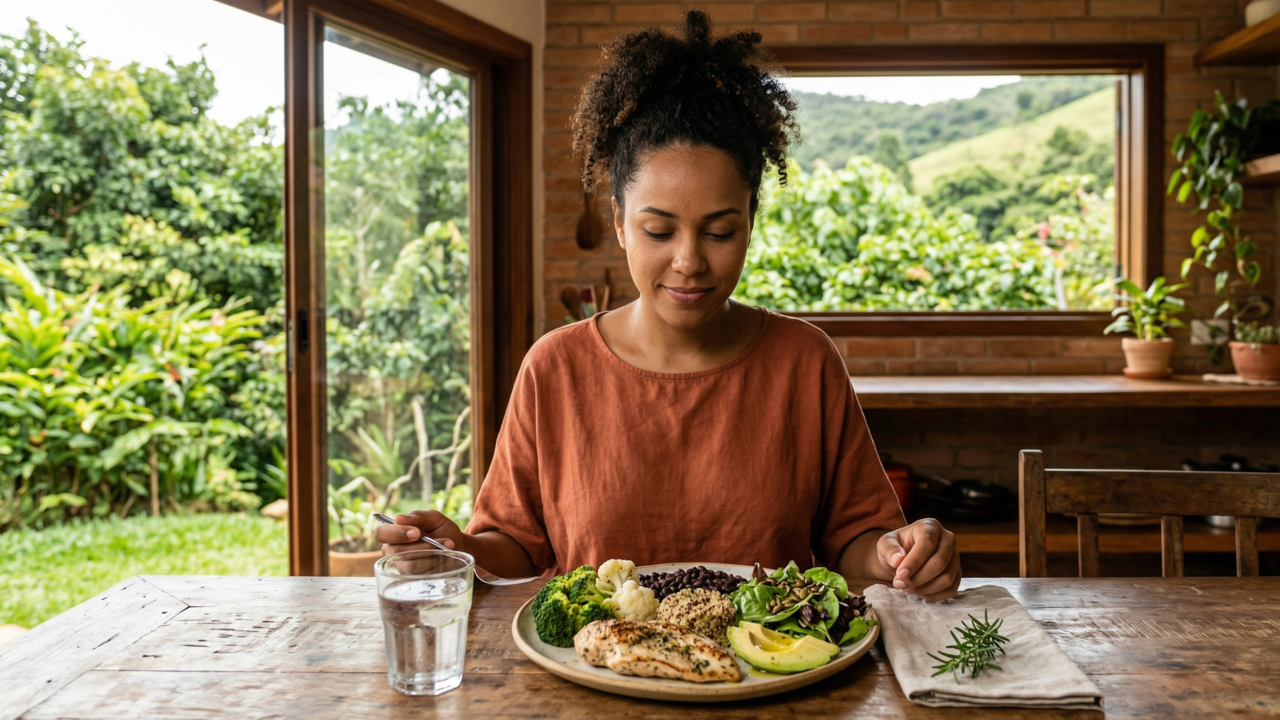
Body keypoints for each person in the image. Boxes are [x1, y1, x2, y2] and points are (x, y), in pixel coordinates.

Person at [376, 10, 962, 601]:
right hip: (595, 675)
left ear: (751, 223)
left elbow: (855, 546)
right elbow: (516, 547)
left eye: (719, 231)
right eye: (659, 231)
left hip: (769, 680)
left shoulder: (804, 362)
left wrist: (899, 554)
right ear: (620, 224)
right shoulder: (555, 368)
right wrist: (456, 551)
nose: (689, 261)